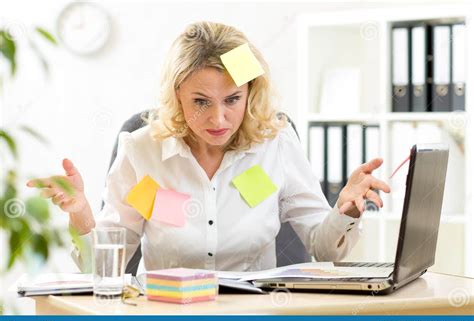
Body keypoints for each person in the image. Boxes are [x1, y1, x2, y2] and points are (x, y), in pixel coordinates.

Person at [26, 21, 390, 273]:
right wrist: (81, 212)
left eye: (232, 99)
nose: (218, 119)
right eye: (201, 101)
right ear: (176, 96)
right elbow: (105, 266)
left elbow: (323, 248)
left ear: (251, 93)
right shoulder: (143, 151)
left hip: (257, 319)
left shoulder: (275, 143)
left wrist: (345, 209)